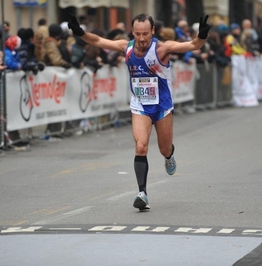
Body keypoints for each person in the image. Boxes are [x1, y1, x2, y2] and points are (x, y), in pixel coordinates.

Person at [68, 13, 210, 211]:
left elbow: (193, 45)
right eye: (138, 34)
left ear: (152, 31)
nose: (142, 38)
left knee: (164, 148)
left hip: (162, 106)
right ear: (133, 32)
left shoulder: (161, 48)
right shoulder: (126, 47)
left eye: (145, 33)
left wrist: (202, 35)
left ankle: (169, 157)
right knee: (141, 146)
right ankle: (142, 193)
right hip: (140, 105)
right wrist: (79, 32)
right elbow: (99, 41)